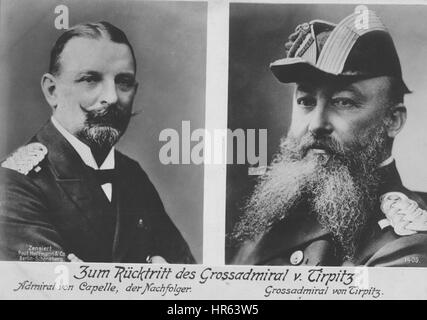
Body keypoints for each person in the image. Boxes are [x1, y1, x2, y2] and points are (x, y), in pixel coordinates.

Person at [231, 9, 427, 267]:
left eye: (343, 102)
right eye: (306, 101)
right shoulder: (273, 216)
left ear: (392, 121)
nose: (316, 124)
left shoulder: (405, 242)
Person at [0, 21, 195, 263]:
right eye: (90, 79)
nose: (112, 98)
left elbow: (189, 278)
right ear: (52, 90)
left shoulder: (131, 174)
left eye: (123, 81)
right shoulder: (14, 182)